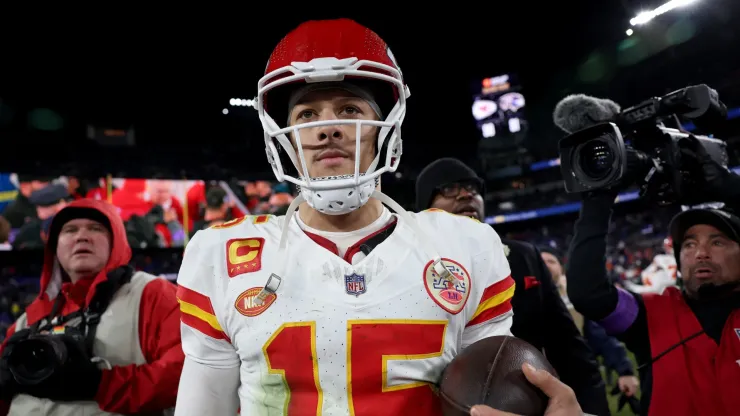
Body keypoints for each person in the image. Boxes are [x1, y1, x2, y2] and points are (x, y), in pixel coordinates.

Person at [174, 19, 524, 416]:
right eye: (307, 114)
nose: (328, 129)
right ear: (284, 137)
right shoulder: (221, 255)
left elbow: (490, 395)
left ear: (384, 130)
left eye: (349, 109)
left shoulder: (464, 246)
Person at [416, 158, 609, 415]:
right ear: (424, 207)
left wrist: (593, 410)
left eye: (473, 188)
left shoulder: (524, 256)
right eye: (449, 189)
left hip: (523, 403)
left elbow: (569, 348)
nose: (466, 195)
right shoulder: (407, 265)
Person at [0, 199, 184, 415]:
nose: (81, 236)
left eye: (96, 229)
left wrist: (99, 384)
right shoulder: (29, 319)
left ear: (117, 241)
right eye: (70, 230)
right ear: (55, 247)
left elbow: (187, 373)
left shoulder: (153, 295)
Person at [567, 189, 740, 412]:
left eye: (717, 243)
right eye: (689, 244)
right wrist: (598, 200)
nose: (700, 253)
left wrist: (728, 184)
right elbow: (588, 293)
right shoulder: (649, 314)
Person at [540, 248, 640, 404]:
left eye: (551, 261)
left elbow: (601, 335)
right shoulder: (519, 299)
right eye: (541, 262)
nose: (546, 265)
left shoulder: (577, 294)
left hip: (581, 376)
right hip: (540, 379)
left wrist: (624, 370)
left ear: (561, 267)